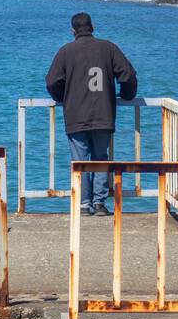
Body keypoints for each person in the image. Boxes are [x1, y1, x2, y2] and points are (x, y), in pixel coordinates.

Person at [44, 12, 138, 216]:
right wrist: (127, 94)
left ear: (73, 31)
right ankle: (99, 203)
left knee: (80, 160)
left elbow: (52, 81)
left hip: (76, 114)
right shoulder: (108, 48)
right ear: (92, 28)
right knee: (101, 158)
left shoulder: (66, 51)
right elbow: (128, 74)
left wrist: (63, 97)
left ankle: (84, 203)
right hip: (104, 113)